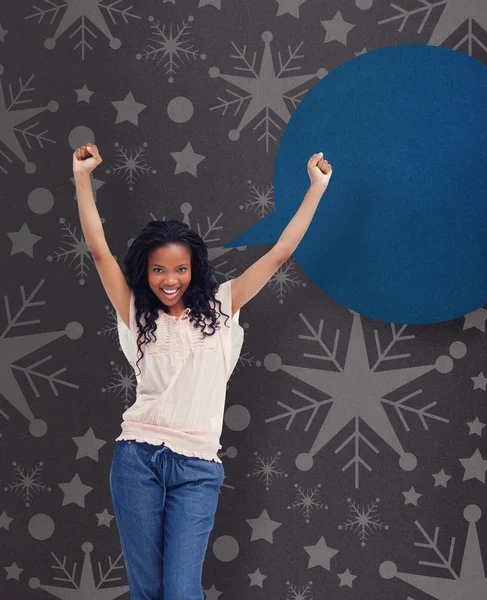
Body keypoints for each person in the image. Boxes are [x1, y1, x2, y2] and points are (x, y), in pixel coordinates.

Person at [72, 143, 332, 599]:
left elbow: (279, 252)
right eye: (158, 270)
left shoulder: (222, 305)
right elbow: (98, 252)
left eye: (179, 269)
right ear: (145, 272)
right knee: (148, 592)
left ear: (194, 269)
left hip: (196, 468)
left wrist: (317, 188)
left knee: (180, 590)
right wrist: (82, 177)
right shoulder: (135, 312)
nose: (169, 279)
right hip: (138, 461)